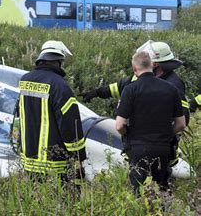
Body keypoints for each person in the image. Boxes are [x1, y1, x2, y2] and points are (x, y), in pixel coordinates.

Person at [80, 40, 189, 166]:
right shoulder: (140, 76)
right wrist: (96, 93)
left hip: (160, 141)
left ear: (155, 64)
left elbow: (183, 118)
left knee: (159, 172)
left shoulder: (173, 84)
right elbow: (120, 87)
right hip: (138, 142)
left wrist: (163, 135)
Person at [115, 51, 186, 194]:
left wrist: (129, 135)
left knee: (138, 191)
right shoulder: (171, 89)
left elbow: (119, 125)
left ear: (135, 69)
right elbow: (181, 124)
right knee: (162, 189)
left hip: (138, 148)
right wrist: (166, 135)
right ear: (152, 66)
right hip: (163, 148)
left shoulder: (130, 90)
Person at [18, 40, 86, 183]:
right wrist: (78, 156)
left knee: (35, 202)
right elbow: (70, 125)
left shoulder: (25, 80)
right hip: (54, 165)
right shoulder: (59, 85)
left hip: (29, 160)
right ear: (59, 61)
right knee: (61, 203)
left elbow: (22, 116)